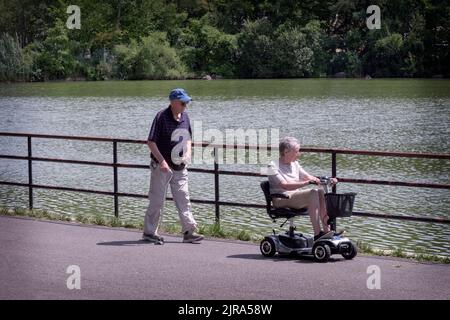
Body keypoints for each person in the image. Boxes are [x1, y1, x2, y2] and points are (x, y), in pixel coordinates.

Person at [142, 88, 204, 243]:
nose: (185, 106)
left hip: (180, 167)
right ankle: (149, 232)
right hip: (162, 167)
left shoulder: (185, 117)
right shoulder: (161, 117)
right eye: (183, 103)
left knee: (184, 199)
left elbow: (188, 138)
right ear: (173, 102)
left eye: (187, 103)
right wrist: (162, 161)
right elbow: (151, 142)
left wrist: (188, 153)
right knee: (157, 200)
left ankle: (189, 232)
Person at [267, 136, 343, 241]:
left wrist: (327, 180)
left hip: (294, 197)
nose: (299, 154)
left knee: (320, 191)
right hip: (281, 198)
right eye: (297, 151)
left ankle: (327, 231)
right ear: (286, 152)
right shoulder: (271, 166)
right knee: (312, 193)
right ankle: (317, 234)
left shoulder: (295, 164)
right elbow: (284, 185)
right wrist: (305, 183)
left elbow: (309, 177)